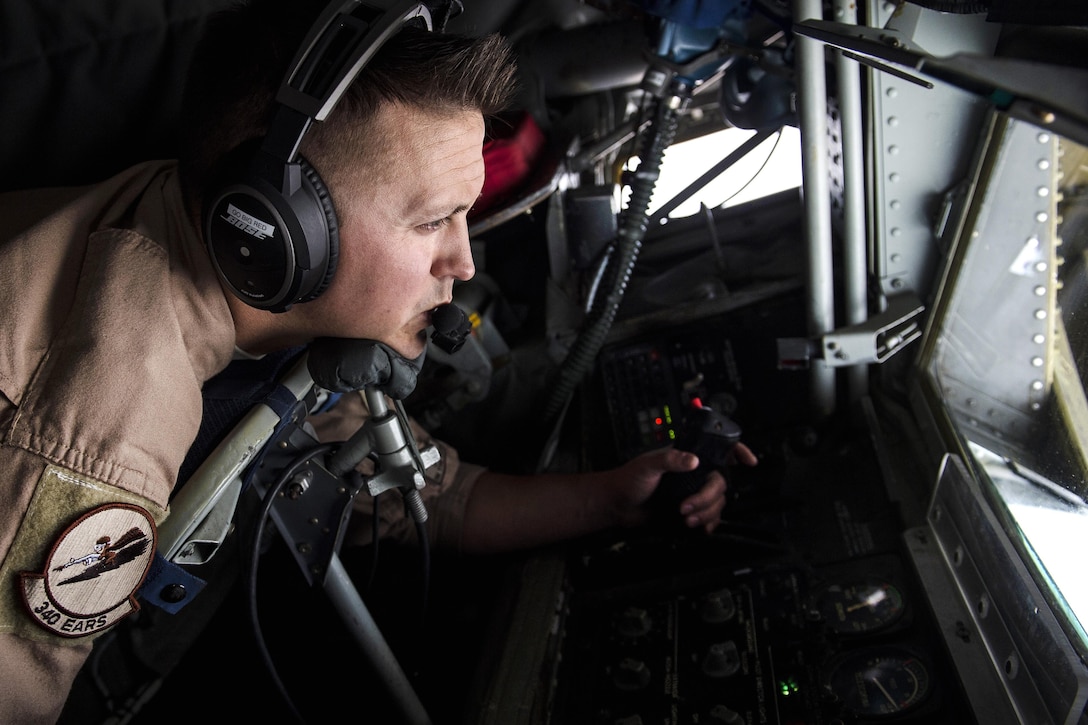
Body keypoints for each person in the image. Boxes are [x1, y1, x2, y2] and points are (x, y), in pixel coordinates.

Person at [0, 1, 757, 722]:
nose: (462, 261)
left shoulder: (260, 289)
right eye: (433, 221)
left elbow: (430, 498)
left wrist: (612, 500)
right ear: (276, 228)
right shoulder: (95, 433)